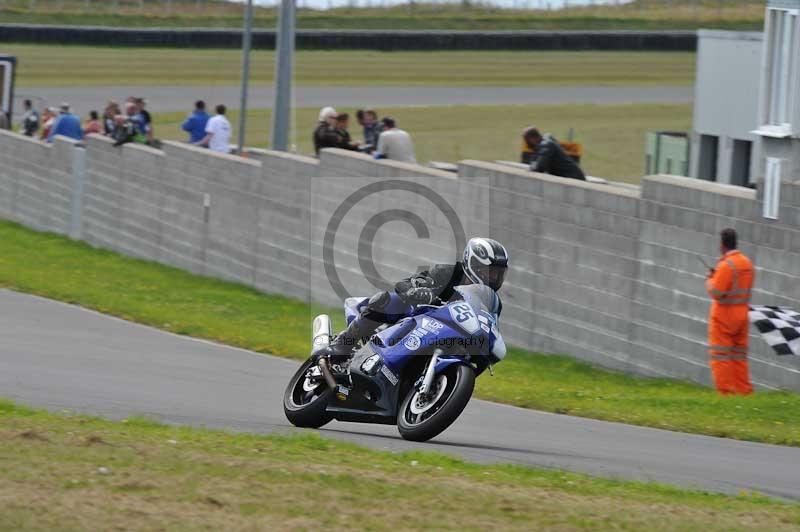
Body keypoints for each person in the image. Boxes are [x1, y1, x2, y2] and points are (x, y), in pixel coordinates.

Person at [325, 238, 509, 364]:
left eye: (499, 274)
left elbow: (489, 325)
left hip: (448, 336)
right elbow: (405, 283)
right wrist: (418, 291)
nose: (494, 278)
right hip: (419, 318)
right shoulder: (447, 273)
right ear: (474, 264)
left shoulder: (492, 302)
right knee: (387, 299)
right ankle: (343, 344)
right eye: (491, 271)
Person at [705, 228, 755, 395]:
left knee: (720, 356)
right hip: (742, 316)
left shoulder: (726, 265)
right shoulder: (747, 263)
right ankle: (744, 391)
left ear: (722, 245)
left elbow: (717, 293)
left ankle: (726, 393)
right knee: (739, 355)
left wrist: (710, 279)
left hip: (724, 317)